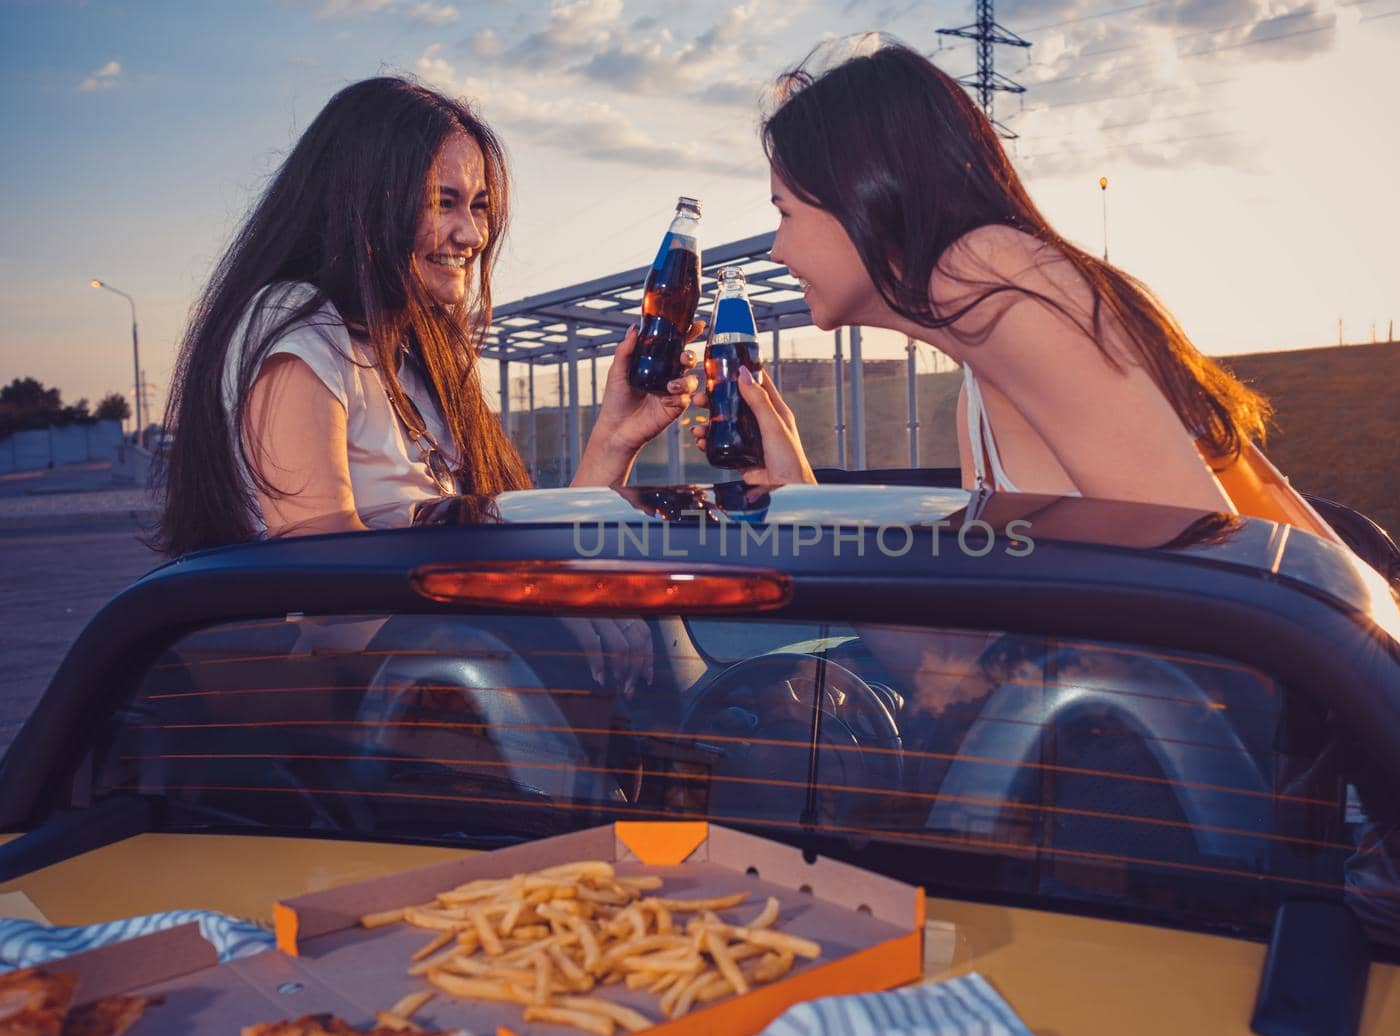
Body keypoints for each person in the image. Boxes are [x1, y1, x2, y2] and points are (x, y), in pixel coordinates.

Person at [155, 76, 693, 692]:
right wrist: (543, 610)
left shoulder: (421, 355)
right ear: (361, 203)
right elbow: (334, 598)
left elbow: (514, 546)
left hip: (455, 682)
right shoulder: (296, 323)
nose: (473, 234)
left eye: (479, 205)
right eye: (443, 202)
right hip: (374, 720)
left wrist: (614, 438)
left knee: (655, 607)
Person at [693, 42, 1337, 541]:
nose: (778, 249)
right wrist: (800, 497)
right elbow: (972, 674)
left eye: (784, 212)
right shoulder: (979, 381)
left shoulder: (996, 276)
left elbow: (1214, 581)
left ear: (860, 191)